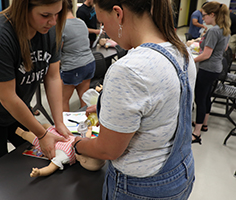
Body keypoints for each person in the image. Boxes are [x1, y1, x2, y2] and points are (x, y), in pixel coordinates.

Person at [71, 0, 197, 199]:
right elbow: (162, 106)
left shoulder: (129, 69)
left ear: (118, 14)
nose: (105, 30)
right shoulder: (181, 51)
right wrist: (110, 108)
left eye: (103, 23)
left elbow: (107, 150)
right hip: (181, 172)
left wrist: (76, 144)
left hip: (141, 187)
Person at [0, 0, 72, 166]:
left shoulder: (50, 30)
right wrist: (42, 134)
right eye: (45, 15)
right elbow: (8, 98)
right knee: (3, 170)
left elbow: (52, 77)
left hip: (17, 110)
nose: (53, 22)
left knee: (38, 159)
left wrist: (59, 122)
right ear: (23, 7)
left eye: (57, 14)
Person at [192, 2, 231, 144]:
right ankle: (204, 124)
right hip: (216, 68)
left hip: (207, 69)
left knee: (200, 99)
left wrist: (192, 60)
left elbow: (206, 54)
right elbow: (225, 48)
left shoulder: (214, 30)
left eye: (204, 16)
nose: (203, 19)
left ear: (212, 15)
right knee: (207, 97)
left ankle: (196, 133)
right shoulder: (225, 29)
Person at [15, 124, 105, 177]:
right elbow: (87, 136)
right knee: (44, 125)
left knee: (29, 136)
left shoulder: (65, 157)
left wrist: (39, 172)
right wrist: (89, 129)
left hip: (45, 143)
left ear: (84, 160)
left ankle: (19, 131)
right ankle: (31, 126)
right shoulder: (83, 145)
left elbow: (51, 168)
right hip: (56, 133)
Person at [61, 0, 96, 111]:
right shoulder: (81, 23)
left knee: (62, 100)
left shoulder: (61, 26)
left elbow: (57, 51)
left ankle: (65, 127)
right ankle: (85, 126)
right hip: (89, 64)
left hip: (73, 67)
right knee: (84, 99)